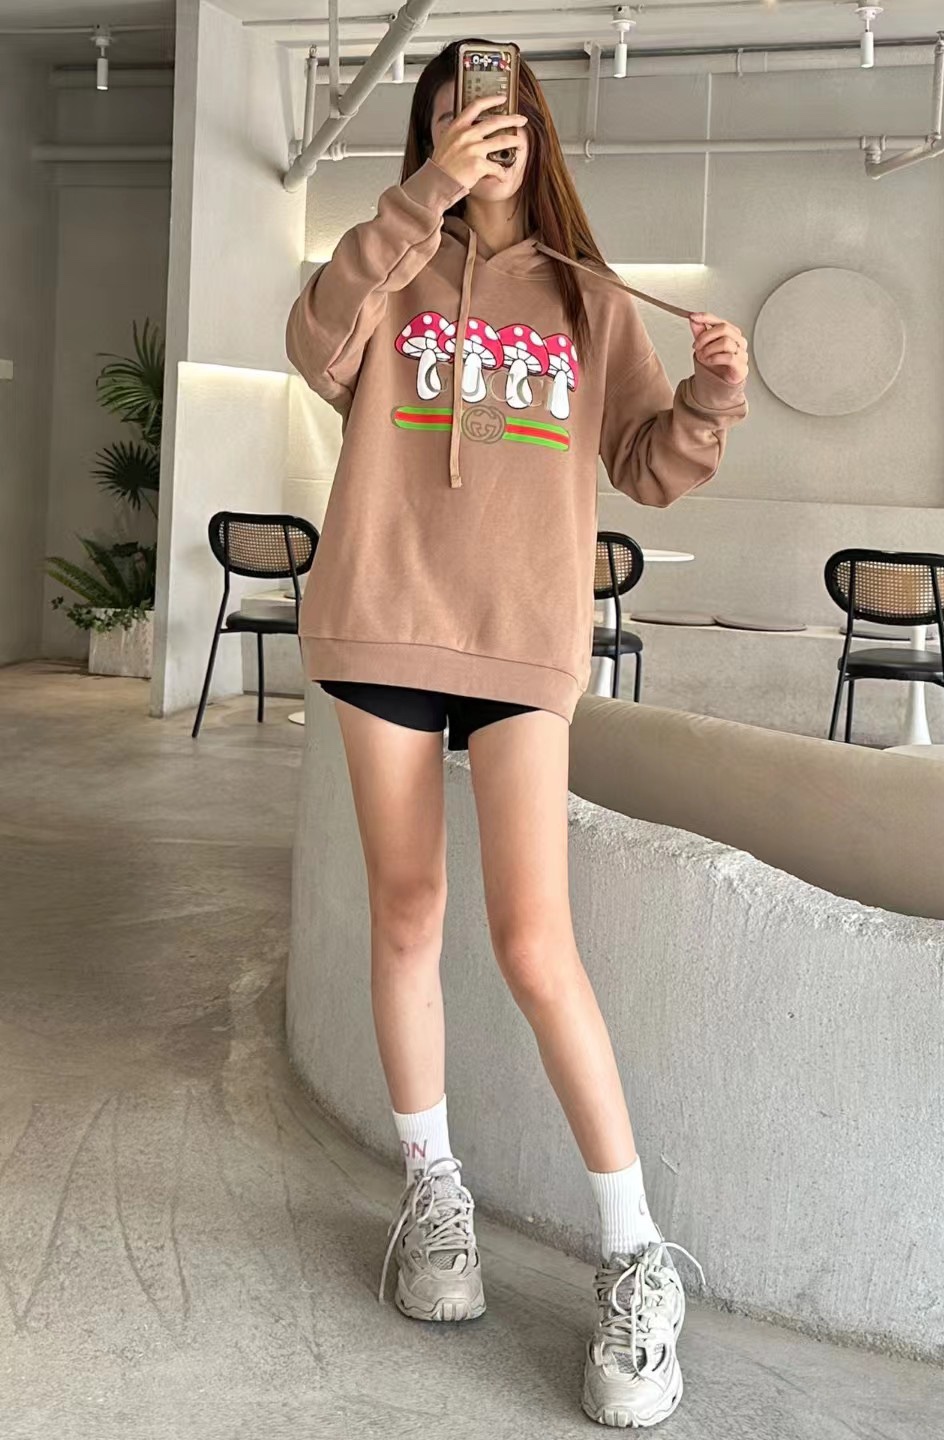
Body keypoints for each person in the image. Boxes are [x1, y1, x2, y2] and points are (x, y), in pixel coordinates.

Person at [285, 38, 749, 1430]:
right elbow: (315, 347)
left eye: (499, 115)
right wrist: (419, 200)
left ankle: (635, 1252)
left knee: (536, 942)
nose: (479, 132)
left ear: (538, 134)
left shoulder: (591, 297)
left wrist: (710, 403)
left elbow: (647, 465)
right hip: (384, 617)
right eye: (451, 114)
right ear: (427, 135)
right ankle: (434, 1194)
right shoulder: (389, 257)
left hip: (522, 641)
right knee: (408, 909)